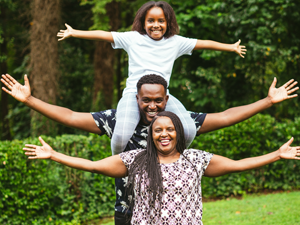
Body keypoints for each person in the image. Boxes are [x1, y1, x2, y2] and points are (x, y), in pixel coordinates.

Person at [1, 73, 298, 225]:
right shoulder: (118, 123)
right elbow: (70, 117)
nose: (152, 106)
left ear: (166, 99)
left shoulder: (180, 126)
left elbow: (225, 117)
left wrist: (268, 102)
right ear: (137, 98)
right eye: (146, 100)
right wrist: (29, 101)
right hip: (130, 211)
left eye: (158, 100)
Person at [23, 111, 300, 225]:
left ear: (178, 132)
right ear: (151, 135)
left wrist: (276, 155)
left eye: (169, 129)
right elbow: (94, 167)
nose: (164, 134)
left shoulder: (196, 159)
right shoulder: (136, 160)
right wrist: (54, 155)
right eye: (158, 130)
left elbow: (239, 165)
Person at [57, 0, 247, 155]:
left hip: (163, 97)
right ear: (143, 22)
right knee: (121, 134)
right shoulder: (133, 38)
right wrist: (75, 32)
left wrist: (230, 47)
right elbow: (104, 35)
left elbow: (203, 43)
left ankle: (170, 162)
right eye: (151, 21)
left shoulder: (175, 42)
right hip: (134, 94)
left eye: (161, 21)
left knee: (188, 130)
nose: (156, 25)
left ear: (168, 23)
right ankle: (117, 163)